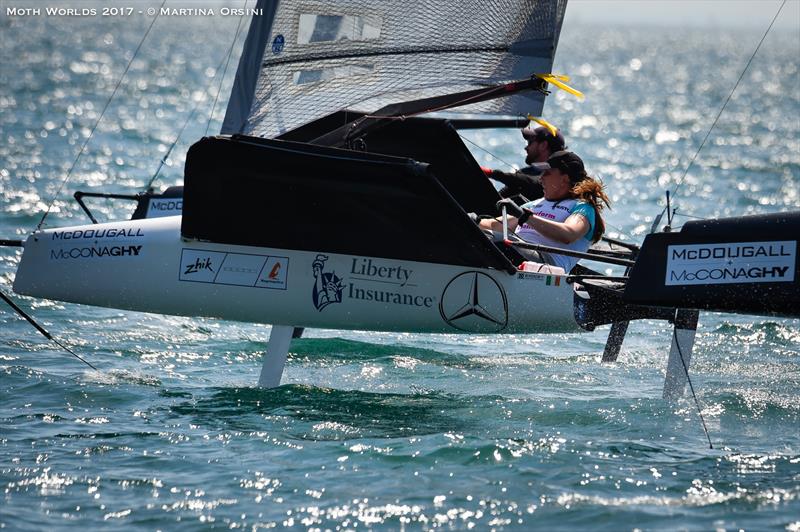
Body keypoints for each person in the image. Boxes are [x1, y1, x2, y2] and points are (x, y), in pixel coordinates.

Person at [480, 150, 610, 273]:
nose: (541, 178)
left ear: (564, 178)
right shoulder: (534, 204)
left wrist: (524, 216)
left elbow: (568, 234)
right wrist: (471, 219)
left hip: (547, 265)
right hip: (517, 253)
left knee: (491, 241)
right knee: (475, 234)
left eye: (547, 173)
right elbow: (494, 225)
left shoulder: (583, 207)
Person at [482, 126, 567, 204]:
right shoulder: (525, 172)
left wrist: (491, 173)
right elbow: (499, 196)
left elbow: (535, 183)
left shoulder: (558, 175)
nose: (526, 148)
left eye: (530, 143)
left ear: (543, 145)